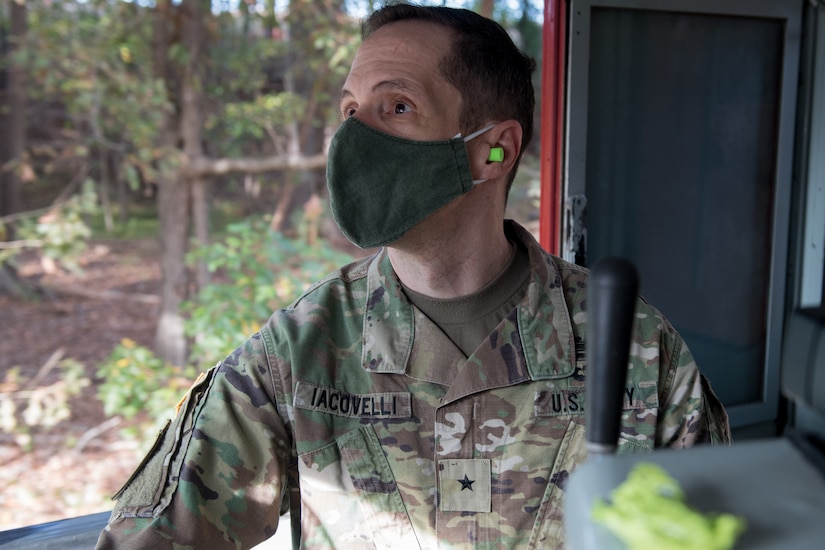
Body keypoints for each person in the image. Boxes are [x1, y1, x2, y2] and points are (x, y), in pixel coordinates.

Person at [96, 4, 731, 549]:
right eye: (350, 111)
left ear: (493, 150)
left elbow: (722, 528)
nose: (353, 139)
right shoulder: (297, 354)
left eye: (396, 106)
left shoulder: (639, 352)